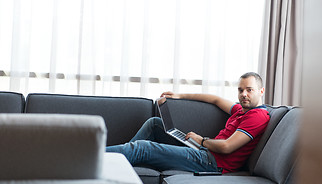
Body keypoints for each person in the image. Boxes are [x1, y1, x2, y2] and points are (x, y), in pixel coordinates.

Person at [106, 72, 270, 173]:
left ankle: (92, 158)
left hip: (212, 162)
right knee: (155, 123)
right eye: (241, 90)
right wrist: (179, 95)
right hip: (205, 151)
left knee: (143, 148)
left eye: (249, 90)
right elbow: (215, 99)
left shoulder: (257, 116)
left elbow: (227, 147)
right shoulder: (241, 110)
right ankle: (122, 159)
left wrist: (201, 141)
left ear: (261, 91)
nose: (244, 94)